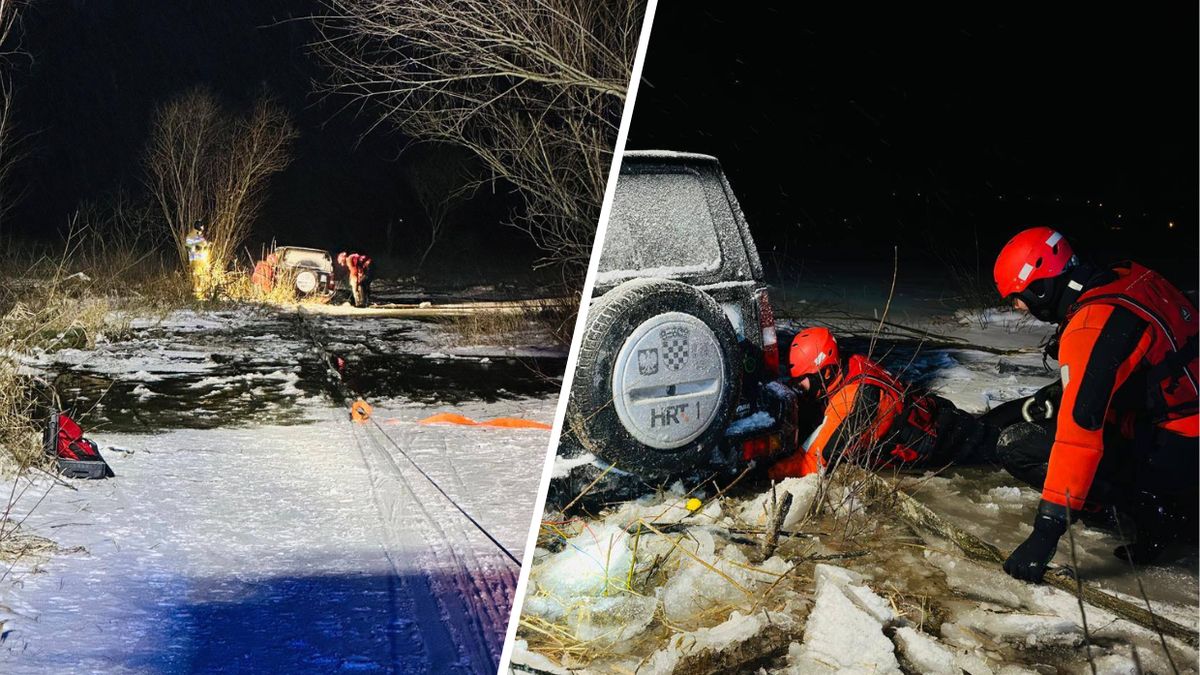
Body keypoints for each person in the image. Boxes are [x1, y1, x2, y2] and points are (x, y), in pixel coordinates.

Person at [991, 226, 1198, 581]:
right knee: (1017, 414)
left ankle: (1153, 512)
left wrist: (1045, 533)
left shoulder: (1090, 325)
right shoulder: (1126, 277)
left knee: (1018, 446)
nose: (1019, 307)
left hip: (1179, 446)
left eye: (1019, 297)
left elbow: (1079, 435)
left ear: (1042, 287)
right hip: (1180, 424)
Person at [768, 326, 1000, 480]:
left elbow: (810, 463)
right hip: (935, 415)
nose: (800, 387)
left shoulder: (852, 400)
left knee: (1001, 448)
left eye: (804, 380)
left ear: (827, 373)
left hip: (940, 441)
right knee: (992, 430)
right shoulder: (847, 364)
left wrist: (764, 473)